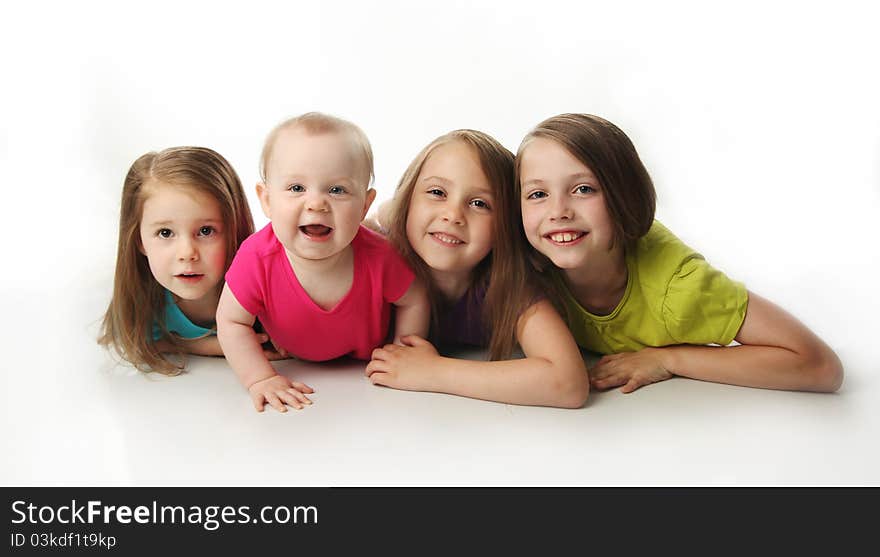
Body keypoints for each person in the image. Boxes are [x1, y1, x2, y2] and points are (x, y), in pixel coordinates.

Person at [516, 113, 843, 394]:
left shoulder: (678, 289)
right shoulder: (522, 265)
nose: (558, 211)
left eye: (583, 189)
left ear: (623, 196)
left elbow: (819, 366)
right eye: (538, 193)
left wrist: (669, 359)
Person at [217, 112, 430, 413]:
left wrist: (402, 351)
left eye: (337, 190)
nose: (316, 203)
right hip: (299, 367)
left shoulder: (380, 256)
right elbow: (231, 321)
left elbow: (414, 297)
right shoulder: (256, 258)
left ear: (363, 204)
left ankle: (386, 214)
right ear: (266, 200)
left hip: (361, 384)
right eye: (296, 188)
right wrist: (259, 379)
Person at [366, 130, 589, 408]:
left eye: (479, 204)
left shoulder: (506, 285)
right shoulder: (375, 259)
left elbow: (568, 383)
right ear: (408, 199)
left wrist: (434, 371)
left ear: (506, 225)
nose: (453, 215)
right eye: (437, 192)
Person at [99, 146, 277, 374]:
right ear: (139, 241)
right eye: (165, 233)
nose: (187, 253)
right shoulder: (143, 299)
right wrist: (215, 345)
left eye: (205, 231)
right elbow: (137, 340)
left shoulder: (265, 286)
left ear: (235, 229)